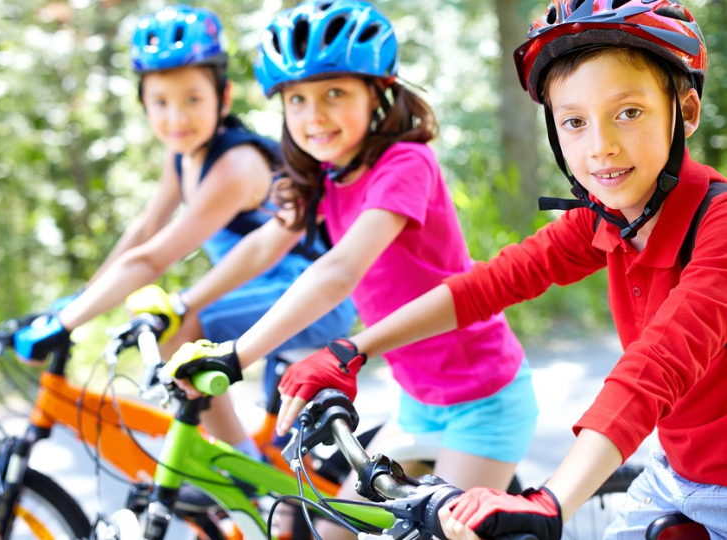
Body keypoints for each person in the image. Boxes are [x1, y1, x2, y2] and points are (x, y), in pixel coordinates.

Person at [274, 1, 727, 539]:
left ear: (687, 110)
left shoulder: (717, 226)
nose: (600, 146)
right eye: (575, 122)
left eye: (628, 112)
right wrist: (354, 349)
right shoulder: (604, 220)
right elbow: (488, 285)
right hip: (674, 474)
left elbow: (656, 367)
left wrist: (551, 502)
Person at [162, 2, 537, 537]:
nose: (315, 115)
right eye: (297, 99)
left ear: (377, 93)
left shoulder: (405, 164)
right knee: (332, 530)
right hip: (420, 402)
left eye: (334, 94)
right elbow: (261, 247)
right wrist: (184, 306)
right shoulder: (327, 179)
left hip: (485, 402)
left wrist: (239, 352)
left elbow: (340, 271)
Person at [12, 5, 355, 462]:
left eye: (193, 99)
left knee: (184, 328)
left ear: (224, 98)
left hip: (311, 300)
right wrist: (80, 300)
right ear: (143, 104)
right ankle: (241, 465)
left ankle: (236, 466)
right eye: (160, 102)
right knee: (188, 333)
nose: (177, 117)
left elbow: (154, 259)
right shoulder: (184, 155)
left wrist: (69, 321)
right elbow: (146, 230)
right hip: (262, 296)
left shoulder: (233, 166)